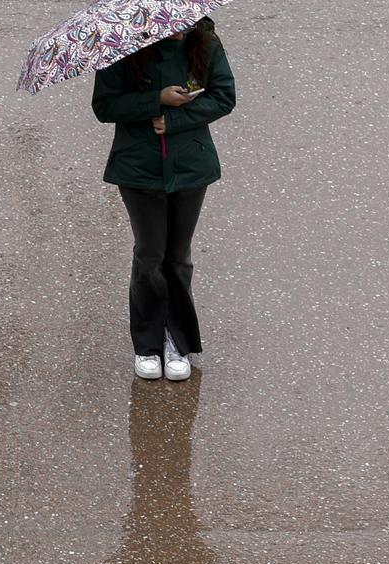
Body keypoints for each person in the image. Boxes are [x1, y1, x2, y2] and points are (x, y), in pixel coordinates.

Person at [91, 17, 236, 381]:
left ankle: (177, 341)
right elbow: (104, 107)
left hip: (191, 166)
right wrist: (155, 99)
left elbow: (224, 96)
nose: (180, 28)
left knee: (177, 258)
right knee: (150, 255)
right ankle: (147, 345)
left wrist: (177, 118)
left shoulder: (205, 43)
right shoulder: (120, 48)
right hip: (138, 169)